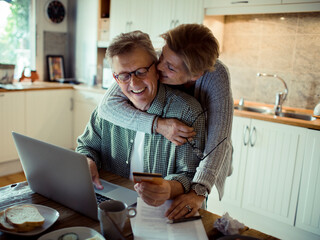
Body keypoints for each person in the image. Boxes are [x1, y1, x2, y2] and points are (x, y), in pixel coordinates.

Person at [98, 24, 234, 219]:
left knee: (190, 210)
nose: (159, 67)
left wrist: (198, 192)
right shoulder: (154, 62)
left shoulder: (215, 77)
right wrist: (158, 125)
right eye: (161, 57)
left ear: (195, 76)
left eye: (169, 67)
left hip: (209, 157)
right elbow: (107, 106)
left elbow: (219, 141)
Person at [76, 30, 206, 206]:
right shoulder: (107, 111)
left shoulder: (187, 112)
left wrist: (168, 188)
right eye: (124, 76)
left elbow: (191, 174)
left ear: (156, 68)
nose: (134, 84)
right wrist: (87, 162)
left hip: (163, 210)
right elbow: (86, 146)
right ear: (115, 77)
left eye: (141, 71)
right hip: (110, 205)